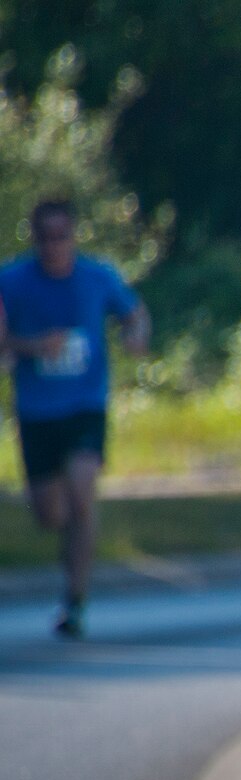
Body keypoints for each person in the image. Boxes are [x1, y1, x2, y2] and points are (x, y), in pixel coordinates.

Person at [0, 199, 149, 639]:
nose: (54, 246)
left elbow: (134, 314)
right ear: (35, 239)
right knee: (51, 513)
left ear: (74, 236)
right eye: (45, 238)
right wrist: (32, 346)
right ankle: (73, 549)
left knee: (82, 492)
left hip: (85, 405)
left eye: (61, 236)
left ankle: (76, 599)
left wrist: (136, 336)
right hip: (36, 411)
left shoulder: (97, 276)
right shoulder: (12, 280)